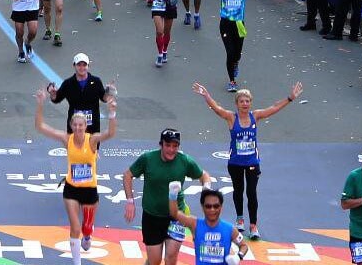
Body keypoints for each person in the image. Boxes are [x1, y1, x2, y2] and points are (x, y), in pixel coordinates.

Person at [193, 82, 303, 241]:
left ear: (250, 103)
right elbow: (217, 108)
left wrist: (290, 98)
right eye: (241, 101)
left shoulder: (255, 116)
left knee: (251, 193)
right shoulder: (231, 117)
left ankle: (253, 226)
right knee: (238, 191)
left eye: (247, 101)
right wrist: (206, 96)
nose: (245, 104)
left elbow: (273, 108)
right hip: (235, 163)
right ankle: (240, 219)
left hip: (252, 162)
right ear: (237, 104)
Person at [35, 89, 120, 265]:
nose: (78, 128)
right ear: (71, 126)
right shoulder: (67, 139)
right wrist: (40, 104)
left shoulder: (92, 140)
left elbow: (110, 133)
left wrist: (112, 113)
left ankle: (88, 234)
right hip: (71, 189)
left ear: (85, 126)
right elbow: (41, 127)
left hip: (90, 190)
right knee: (74, 228)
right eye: (75, 125)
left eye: (81, 125)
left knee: (86, 228)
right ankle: (77, 262)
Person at [120, 129, 215, 265]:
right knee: (154, 261)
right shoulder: (148, 159)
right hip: (152, 216)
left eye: (175, 146)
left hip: (176, 216)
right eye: (168, 145)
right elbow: (127, 175)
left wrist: (206, 189)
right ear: (161, 144)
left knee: (171, 258)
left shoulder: (184, 161)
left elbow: (204, 175)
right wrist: (130, 201)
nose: (171, 150)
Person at [213, 0, 267, 91]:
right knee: (230, 52)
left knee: (237, 53)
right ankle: (232, 81)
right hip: (225, 24)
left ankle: (236, 62)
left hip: (239, 25)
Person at [166, 188, 247, 265]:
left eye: (216, 206)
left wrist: (238, 256)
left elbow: (244, 246)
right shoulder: (195, 224)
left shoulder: (230, 229)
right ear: (202, 207)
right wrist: (173, 195)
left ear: (221, 207)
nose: (212, 209)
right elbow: (174, 214)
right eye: (208, 206)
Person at [52, 53, 117, 136]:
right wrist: (52, 93)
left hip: (93, 126)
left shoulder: (96, 81)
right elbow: (56, 99)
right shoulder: (68, 83)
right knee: (73, 144)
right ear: (74, 66)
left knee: (92, 144)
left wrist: (109, 91)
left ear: (88, 66)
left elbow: (104, 98)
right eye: (79, 65)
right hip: (74, 126)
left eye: (84, 65)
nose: (82, 68)